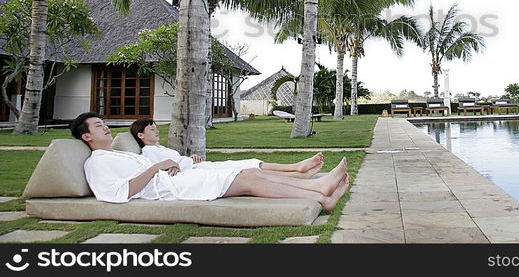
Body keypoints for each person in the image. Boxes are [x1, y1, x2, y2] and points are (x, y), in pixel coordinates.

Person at [70, 113, 349, 211]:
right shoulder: (96, 163)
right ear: (86, 136)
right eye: (98, 126)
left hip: (175, 180)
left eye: (104, 123)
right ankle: (320, 192)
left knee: (249, 173)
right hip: (171, 189)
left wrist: (166, 167)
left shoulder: (118, 154)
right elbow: (119, 193)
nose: (105, 127)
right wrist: (157, 167)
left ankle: (320, 191)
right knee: (249, 178)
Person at [130, 118, 322, 178]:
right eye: (151, 129)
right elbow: (160, 169)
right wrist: (178, 165)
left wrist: (191, 158)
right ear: (140, 135)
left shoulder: (159, 147)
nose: (156, 131)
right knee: (245, 167)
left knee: (248, 164)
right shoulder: (148, 152)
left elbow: (175, 161)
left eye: (156, 128)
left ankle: (297, 169)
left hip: (198, 166)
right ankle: (297, 169)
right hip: (195, 173)